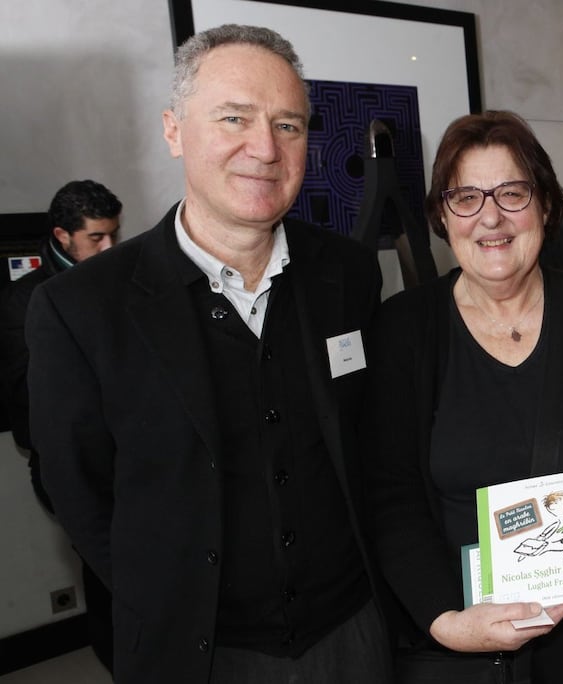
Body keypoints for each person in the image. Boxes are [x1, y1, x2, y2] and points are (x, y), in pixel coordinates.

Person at [26, 25, 392, 684]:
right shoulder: (81, 309)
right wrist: (166, 599)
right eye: (234, 118)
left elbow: (369, 438)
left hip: (353, 635)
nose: (264, 148)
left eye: (288, 125)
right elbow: (81, 494)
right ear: (173, 131)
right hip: (194, 653)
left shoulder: (351, 274)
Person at [366, 110, 563, 684]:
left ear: (544, 205)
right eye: (466, 197)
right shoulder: (403, 330)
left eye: (512, 193)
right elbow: (391, 499)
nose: (490, 216)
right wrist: (446, 622)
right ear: (444, 215)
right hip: (466, 657)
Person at [0, 179, 122, 673]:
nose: (110, 247)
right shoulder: (22, 301)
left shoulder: (118, 278)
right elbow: (31, 407)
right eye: (96, 238)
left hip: (126, 452)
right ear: (62, 235)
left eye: (115, 234)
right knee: (106, 574)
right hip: (68, 463)